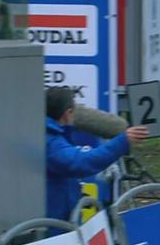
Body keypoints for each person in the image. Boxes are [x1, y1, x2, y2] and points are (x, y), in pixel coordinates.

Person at [46, 87, 149, 222]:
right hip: (53, 226)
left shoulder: (46, 131)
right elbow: (81, 161)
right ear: (68, 113)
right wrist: (123, 141)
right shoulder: (50, 142)